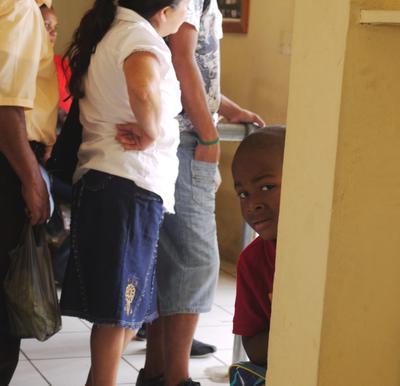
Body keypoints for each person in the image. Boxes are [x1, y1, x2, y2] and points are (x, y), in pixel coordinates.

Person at [133, 1, 265, 386]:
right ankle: (176, 377)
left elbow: (196, 70)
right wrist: (209, 133)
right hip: (186, 137)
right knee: (195, 261)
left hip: (182, 130)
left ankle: (157, 371)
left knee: (173, 261)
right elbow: (181, 59)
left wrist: (228, 108)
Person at [59, 1, 189, 385]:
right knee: (120, 313)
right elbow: (143, 90)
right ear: (165, 10)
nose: (187, 16)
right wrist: (150, 131)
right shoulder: (138, 37)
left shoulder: (116, 32)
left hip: (113, 185)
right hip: (126, 185)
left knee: (126, 311)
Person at [0, 0, 58, 384]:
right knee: (5, 297)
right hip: (9, 162)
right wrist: (31, 178)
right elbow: (6, 107)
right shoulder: (19, 8)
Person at [231, 127, 285, 375]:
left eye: (266, 187)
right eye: (243, 194)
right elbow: (251, 345)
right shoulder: (252, 262)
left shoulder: (334, 250)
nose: (253, 205)